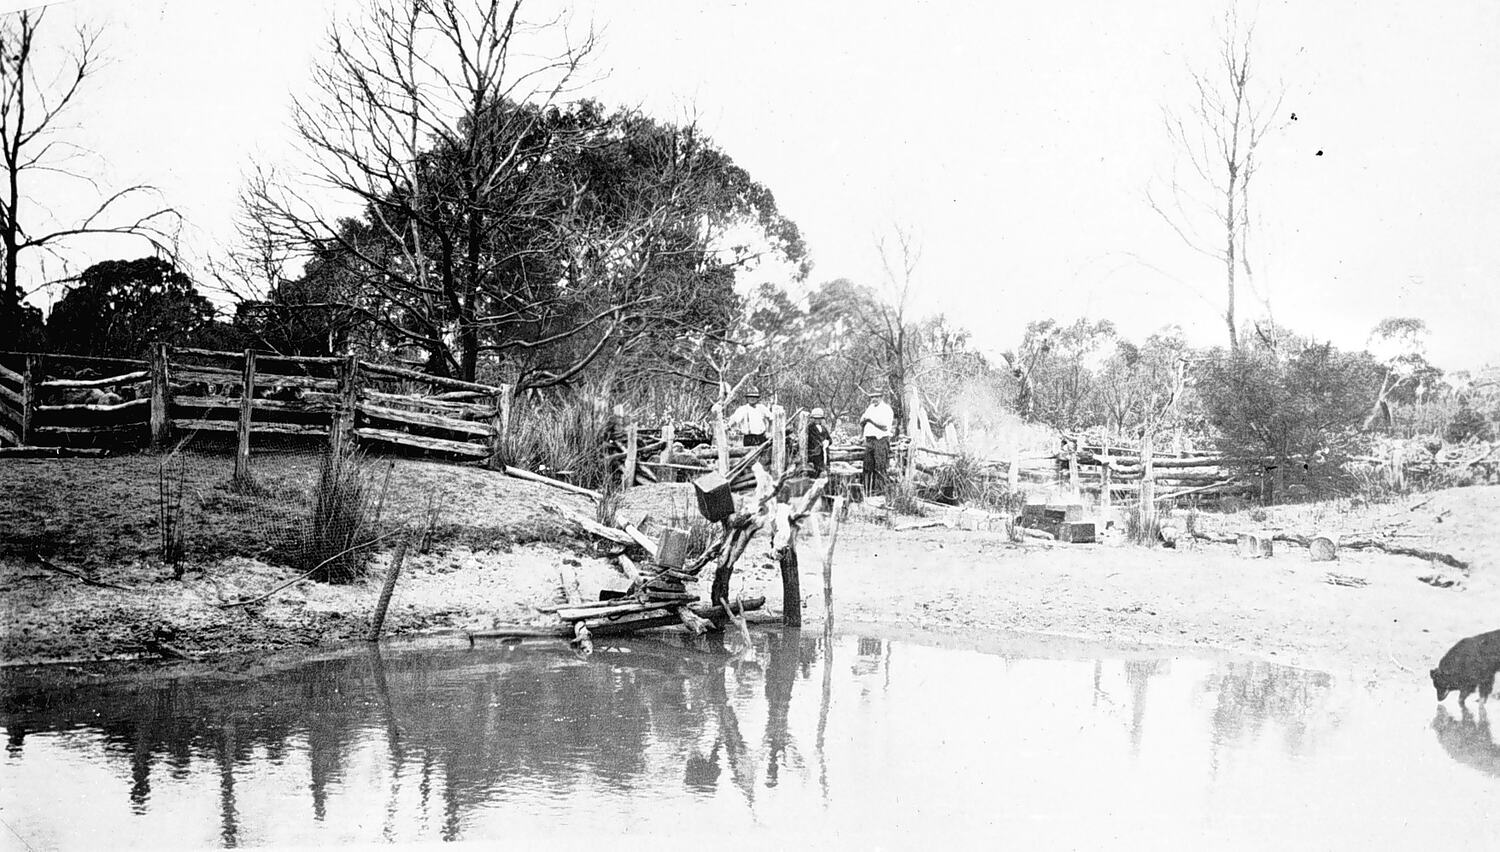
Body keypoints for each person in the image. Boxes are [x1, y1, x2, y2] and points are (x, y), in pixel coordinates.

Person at [860, 388, 894, 496]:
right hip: (870, 440)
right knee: (867, 466)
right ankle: (867, 491)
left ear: (881, 397)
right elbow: (862, 421)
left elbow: (884, 427)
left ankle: (879, 492)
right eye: (872, 397)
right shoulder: (870, 408)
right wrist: (865, 421)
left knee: (880, 466)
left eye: (876, 397)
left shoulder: (886, 409)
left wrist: (870, 421)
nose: (874, 399)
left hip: (881, 440)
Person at [806, 408, 833, 476]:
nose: (817, 420)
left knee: (826, 471)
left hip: (824, 454)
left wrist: (827, 442)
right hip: (814, 454)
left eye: (819, 418)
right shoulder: (809, 428)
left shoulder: (823, 428)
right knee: (815, 472)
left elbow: (830, 439)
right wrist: (821, 444)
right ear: (812, 418)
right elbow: (812, 440)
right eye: (815, 418)